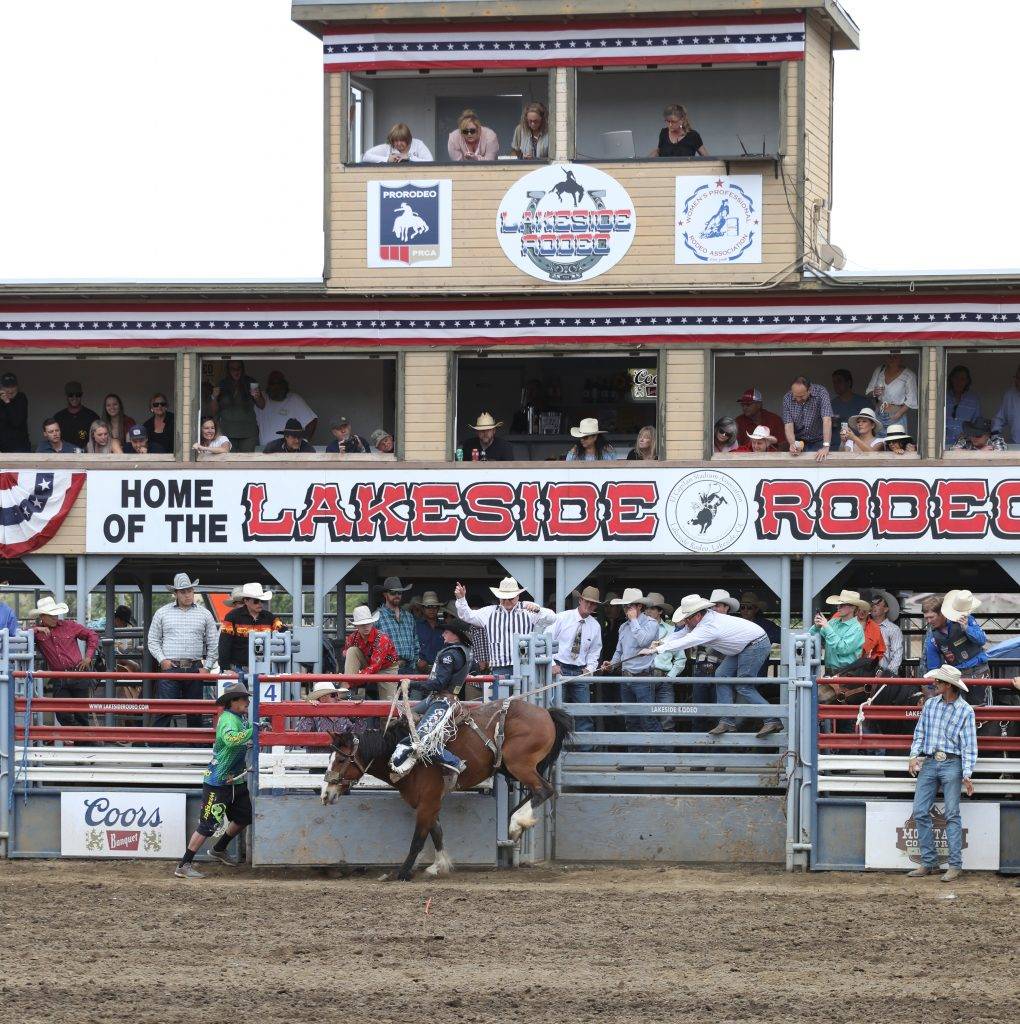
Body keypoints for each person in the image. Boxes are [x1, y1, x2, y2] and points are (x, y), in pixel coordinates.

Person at [649, 594, 782, 739]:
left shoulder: (708, 627)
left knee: (743, 685)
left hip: (755, 644)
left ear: (697, 616)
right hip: (744, 645)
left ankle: (772, 719)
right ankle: (727, 720)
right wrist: (659, 644)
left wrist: (657, 650)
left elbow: (687, 641)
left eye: (687, 618)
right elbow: (682, 633)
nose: (685, 621)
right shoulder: (702, 620)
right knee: (721, 675)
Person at [905, 665, 977, 883]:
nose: (934, 683)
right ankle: (931, 862)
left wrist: (966, 772)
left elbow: (969, 746)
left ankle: (951, 864)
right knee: (921, 811)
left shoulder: (965, 711)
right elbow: (920, 732)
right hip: (932, 761)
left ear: (948, 686)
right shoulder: (930, 705)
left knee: (951, 814)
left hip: (951, 763)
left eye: (938, 682)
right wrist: (913, 755)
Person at [174, 682, 254, 878]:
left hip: (234, 780)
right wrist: (254, 730)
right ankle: (184, 864)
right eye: (244, 699)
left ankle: (218, 849)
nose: (247, 701)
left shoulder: (238, 718)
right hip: (219, 781)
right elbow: (231, 740)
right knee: (208, 824)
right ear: (233, 702)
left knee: (244, 817)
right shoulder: (228, 719)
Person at [389, 615, 477, 786]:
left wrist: (411, 684)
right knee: (406, 716)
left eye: (447, 631)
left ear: (455, 635)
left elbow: (438, 683)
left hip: (442, 701)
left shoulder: (449, 655)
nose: (443, 634)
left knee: (423, 740)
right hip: (442, 698)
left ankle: (454, 762)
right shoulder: (464, 652)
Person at [147, 573, 219, 731]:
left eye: (189, 591)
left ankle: (195, 747)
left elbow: (214, 643)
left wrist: (207, 666)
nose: (187, 595)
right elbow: (152, 640)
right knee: (164, 710)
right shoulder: (162, 613)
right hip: (171, 666)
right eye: (183, 592)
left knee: (195, 711)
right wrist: (162, 660)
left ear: (193, 591)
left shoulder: (204, 614)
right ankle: (157, 746)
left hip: (194, 667)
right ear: (176, 594)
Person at [455, 577, 554, 686]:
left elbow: (552, 618)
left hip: (524, 665)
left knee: (523, 700)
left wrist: (539, 610)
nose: (507, 601)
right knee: (502, 700)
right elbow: (467, 616)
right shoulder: (489, 611)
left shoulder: (527, 608)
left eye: (510, 598)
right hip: (500, 666)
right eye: (503, 598)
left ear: (517, 596)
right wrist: (461, 599)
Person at [598, 588, 660, 740]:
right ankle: (635, 760)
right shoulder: (623, 627)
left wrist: (633, 620)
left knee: (647, 719)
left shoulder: (651, 624)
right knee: (631, 720)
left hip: (643, 678)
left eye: (630, 606)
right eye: (625, 606)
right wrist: (611, 664)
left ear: (639, 606)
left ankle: (664, 756)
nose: (626, 609)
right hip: (625, 678)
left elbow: (644, 641)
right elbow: (619, 652)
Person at [28, 595, 99, 727]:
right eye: (51, 615)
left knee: (81, 715)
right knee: (62, 714)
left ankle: (83, 741)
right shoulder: (37, 633)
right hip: (59, 677)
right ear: (42, 617)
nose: (55, 617)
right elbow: (18, 634)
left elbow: (92, 635)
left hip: (78, 673)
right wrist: (36, 629)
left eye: (56, 614)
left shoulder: (69, 625)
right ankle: (86, 739)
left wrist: (88, 657)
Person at [547, 586, 604, 745]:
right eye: (587, 602)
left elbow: (595, 651)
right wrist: (552, 664)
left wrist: (590, 669)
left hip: (580, 671)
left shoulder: (595, 625)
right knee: (557, 711)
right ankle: (557, 750)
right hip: (559, 668)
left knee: (583, 712)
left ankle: (584, 751)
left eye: (593, 604)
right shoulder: (561, 618)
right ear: (580, 600)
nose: (590, 606)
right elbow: (547, 640)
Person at [922, 591, 989, 707]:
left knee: (980, 711)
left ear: (942, 614)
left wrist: (967, 628)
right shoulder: (932, 637)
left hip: (978, 671)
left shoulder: (964, 619)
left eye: (931, 617)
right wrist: (933, 688)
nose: (928, 621)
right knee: (957, 709)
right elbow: (933, 666)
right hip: (956, 676)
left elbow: (982, 640)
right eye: (926, 618)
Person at [341, 605, 400, 704]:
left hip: (387, 668)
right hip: (368, 664)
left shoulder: (382, 639)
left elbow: (375, 666)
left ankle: (347, 685)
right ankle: (347, 683)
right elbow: (346, 652)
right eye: (362, 624)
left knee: (388, 705)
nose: (366, 626)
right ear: (356, 626)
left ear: (372, 623)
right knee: (351, 651)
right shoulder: (352, 638)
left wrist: (353, 680)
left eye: (368, 623)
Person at [218, 583, 284, 673]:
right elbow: (224, 643)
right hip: (237, 668)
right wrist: (225, 668)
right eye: (256, 601)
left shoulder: (270, 617)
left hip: (262, 668)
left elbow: (283, 630)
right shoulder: (232, 617)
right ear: (246, 601)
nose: (260, 603)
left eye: (262, 601)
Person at [645, 592, 683, 733]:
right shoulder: (638, 629)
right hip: (643, 678)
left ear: (660, 611)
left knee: (667, 719)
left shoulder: (672, 631)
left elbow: (681, 658)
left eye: (652, 608)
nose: (648, 611)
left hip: (663, 679)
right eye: (647, 608)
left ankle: (666, 754)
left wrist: (669, 677)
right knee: (645, 719)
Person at [208, 361, 264, 453]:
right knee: (229, 462)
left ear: (243, 369)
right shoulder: (222, 384)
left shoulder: (250, 382)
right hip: (227, 431)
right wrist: (214, 397)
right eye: (233, 369)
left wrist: (257, 397)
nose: (236, 371)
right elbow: (213, 411)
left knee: (247, 462)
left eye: (239, 368)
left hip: (248, 432)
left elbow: (262, 405)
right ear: (228, 370)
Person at [294, 682, 364, 754]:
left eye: (337, 694)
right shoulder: (313, 715)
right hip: (318, 760)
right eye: (333, 695)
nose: (337, 697)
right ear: (323, 698)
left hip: (339, 761)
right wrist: (310, 710)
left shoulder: (341, 715)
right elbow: (300, 739)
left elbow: (356, 734)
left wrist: (359, 715)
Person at [255, 370, 317, 448]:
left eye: (279, 383)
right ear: (268, 385)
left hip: (290, 452)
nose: (276, 387)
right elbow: (253, 425)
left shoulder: (294, 399)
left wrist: (303, 443)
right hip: (266, 450)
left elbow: (312, 421)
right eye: (273, 384)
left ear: (284, 384)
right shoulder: (261, 399)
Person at [374, 576, 420, 682]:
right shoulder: (376, 617)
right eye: (393, 593)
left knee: (410, 698)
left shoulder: (409, 617)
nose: (397, 595)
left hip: (409, 669)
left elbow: (416, 644)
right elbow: (372, 647)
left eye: (399, 593)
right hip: (387, 670)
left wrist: (413, 665)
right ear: (385, 594)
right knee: (390, 698)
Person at [809, 589, 865, 674]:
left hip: (847, 674)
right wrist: (816, 626)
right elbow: (812, 636)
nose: (838, 607)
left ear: (853, 607)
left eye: (842, 605)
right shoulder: (833, 622)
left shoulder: (857, 628)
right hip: (829, 672)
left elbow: (843, 649)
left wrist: (826, 626)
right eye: (838, 604)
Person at [783, 376, 833, 459]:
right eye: (795, 396)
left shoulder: (821, 392)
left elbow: (827, 419)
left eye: (801, 396)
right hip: (799, 440)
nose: (798, 399)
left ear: (810, 390)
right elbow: (788, 425)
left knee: (819, 465)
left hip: (819, 440)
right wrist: (793, 444)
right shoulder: (787, 398)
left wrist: (826, 446)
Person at [865, 352, 917, 431]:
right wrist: (874, 393)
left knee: (895, 441)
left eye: (895, 356)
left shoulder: (909, 375)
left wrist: (897, 415)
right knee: (879, 441)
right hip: (879, 413)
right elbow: (868, 392)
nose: (892, 358)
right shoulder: (879, 370)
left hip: (896, 414)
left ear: (901, 357)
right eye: (889, 356)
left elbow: (912, 400)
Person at [53, 381, 99, 450]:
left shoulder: (92, 416)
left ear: (82, 395)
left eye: (78, 394)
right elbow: (52, 440)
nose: (74, 397)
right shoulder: (58, 417)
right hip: (63, 457)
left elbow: (99, 439)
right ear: (66, 396)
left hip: (87, 456)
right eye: (71, 395)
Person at [869, 589, 904, 676]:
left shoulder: (894, 629)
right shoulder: (864, 626)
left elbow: (897, 655)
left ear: (885, 609)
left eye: (877, 605)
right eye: (872, 604)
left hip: (885, 674)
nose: (873, 606)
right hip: (865, 673)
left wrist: (887, 675)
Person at [945, 365, 981, 448]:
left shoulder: (973, 400)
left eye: (962, 379)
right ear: (951, 379)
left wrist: (968, 435)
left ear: (967, 382)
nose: (959, 382)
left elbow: (977, 426)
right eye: (956, 378)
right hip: (942, 446)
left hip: (964, 447)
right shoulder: (943, 397)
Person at [361, 122, 433, 163]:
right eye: (396, 140)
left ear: (408, 139)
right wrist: (387, 159)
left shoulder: (418, 144)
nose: (398, 143)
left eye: (402, 140)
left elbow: (430, 161)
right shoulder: (387, 147)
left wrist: (410, 157)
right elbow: (366, 156)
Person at [414, 591, 446, 671]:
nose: (432, 609)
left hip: (441, 670)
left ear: (438, 608)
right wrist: (417, 661)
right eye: (428, 606)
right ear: (423, 609)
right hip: (419, 669)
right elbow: (411, 646)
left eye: (434, 607)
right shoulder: (415, 625)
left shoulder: (445, 627)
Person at [0, 372, 31, 452]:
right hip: (2, 446)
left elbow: (16, 422)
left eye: (12, 386)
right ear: (2, 388)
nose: (10, 390)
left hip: (20, 446)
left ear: (17, 387)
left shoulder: (21, 398)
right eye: (7, 387)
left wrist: (7, 401)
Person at [991, 364, 1020, 443]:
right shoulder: (1010, 395)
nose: (1017, 381)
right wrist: (995, 437)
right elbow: (999, 420)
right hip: (1016, 445)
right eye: (1016, 377)